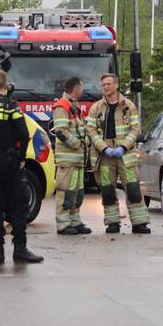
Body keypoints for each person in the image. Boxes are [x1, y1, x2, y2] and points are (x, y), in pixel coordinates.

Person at [0, 70, 43, 264]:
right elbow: (23, 132)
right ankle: (20, 249)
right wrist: (21, 157)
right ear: (6, 85)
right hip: (10, 161)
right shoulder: (10, 106)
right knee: (18, 205)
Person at [85, 73, 151, 234]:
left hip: (126, 156)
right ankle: (112, 223)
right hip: (105, 156)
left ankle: (139, 223)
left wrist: (124, 146)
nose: (106, 87)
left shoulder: (128, 106)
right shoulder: (96, 108)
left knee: (133, 189)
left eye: (108, 84)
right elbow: (91, 130)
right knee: (108, 191)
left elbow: (135, 129)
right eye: (103, 85)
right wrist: (104, 147)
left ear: (116, 85)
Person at [51, 76, 91, 235]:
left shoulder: (73, 105)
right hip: (68, 159)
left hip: (77, 159)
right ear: (76, 89)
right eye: (81, 87)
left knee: (76, 192)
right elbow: (60, 131)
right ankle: (63, 225)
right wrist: (78, 144)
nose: (83, 90)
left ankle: (75, 221)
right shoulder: (62, 106)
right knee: (65, 192)